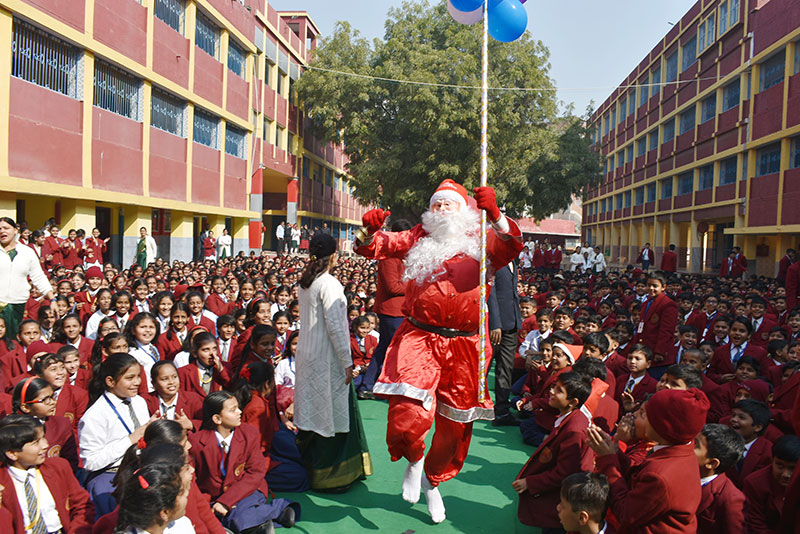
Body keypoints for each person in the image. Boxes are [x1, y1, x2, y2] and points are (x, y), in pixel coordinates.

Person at [355, 179, 522, 523]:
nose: (442, 209)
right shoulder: (417, 236)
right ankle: (414, 461)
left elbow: (512, 246)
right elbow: (376, 247)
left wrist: (496, 213)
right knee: (407, 414)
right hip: (419, 337)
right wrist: (368, 232)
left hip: (467, 346)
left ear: (464, 210)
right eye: (437, 204)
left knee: (453, 426)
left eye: (449, 204)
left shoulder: (481, 238)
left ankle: (434, 481)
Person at [294, 233, 372, 491]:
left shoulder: (305, 282)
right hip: (327, 358)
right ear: (334, 256)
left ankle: (308, 469)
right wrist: (346, 362)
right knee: (329, 414)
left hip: (306, 354)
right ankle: (332, 476)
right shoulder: (329, 284)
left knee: (311, 410)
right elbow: (337, 329)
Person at [589, 387, 711, 533]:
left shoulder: (661, 476)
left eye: (642, 414)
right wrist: (615, 452)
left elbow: (625, 512)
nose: (633, 416)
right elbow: (638, 475)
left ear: (661, 426)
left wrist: (608, 461)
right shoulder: (679, 450)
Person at [513, 372, 594, 531]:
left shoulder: (574, 430)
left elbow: (564, 473)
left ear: (573, 402)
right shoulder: (570, 417)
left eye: (559, 391)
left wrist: (530, 482)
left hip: (563, 497)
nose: (551, 392)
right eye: (553, 387)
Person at [0, 414, 95, 533]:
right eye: (36, 443)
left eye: (43, 438)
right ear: (12, 453)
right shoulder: (3, 482)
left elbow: (82, 505)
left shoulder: (58, 467)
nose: (45, 445)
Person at [360, 218, 411, 399]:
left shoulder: (403, 256)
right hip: (392, 312)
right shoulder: (389, 257)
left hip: (401, 311)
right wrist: (414, 283)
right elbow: (393, 287)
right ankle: (386, 386)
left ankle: (369, 385)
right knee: (394, 351)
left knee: (384, 349)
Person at [0, 217, 56, 339]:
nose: (2, 231)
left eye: (6, 228)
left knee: (16, 341)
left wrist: (52, 299)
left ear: (15, 230)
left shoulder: (26, 252)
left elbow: (38, 276)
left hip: (19, 304)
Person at [488, 257, 522, 426]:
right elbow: (490, 294)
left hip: (512, 323)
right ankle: (474, 406)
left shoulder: (512, 262)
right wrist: (495, 323)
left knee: (506, 369)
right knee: (484, 367)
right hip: (495, 326)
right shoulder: (493, 262)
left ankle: (501, 410)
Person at [694, 423, 745, 534]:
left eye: (695, 445)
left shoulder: (730, 499)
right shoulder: (681, 475)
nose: (687, 447)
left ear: (712, 463)